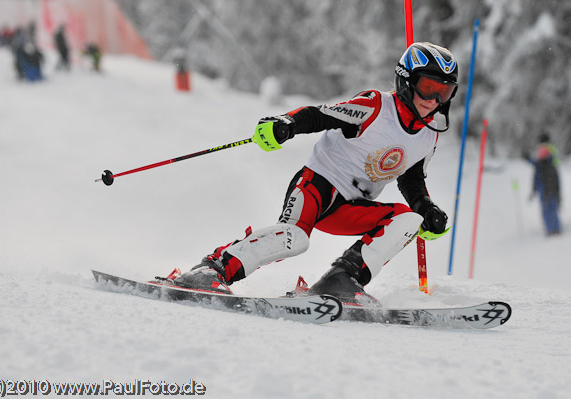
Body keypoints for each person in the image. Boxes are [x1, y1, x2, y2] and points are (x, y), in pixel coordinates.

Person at [171, 42, 458, 302]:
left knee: (409, 219)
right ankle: (211, 270)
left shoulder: (428, 136)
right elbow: (322, 114)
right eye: (428, 87)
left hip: (352, 206)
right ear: (406, 81)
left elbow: (411, 177)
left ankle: (341, 281)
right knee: (295, 238)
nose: (433, 100)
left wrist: (425, 207)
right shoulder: (374, 106)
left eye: (444, 92)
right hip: (318, 186)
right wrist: (287, 123)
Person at [527, 134, 562, 236]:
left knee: (549, 209)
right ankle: (554, 229)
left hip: (547, 189)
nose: (540, 153)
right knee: (550, 208)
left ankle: (553, 229)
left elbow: (539, 172)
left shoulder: (545, 164)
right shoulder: (543, 163)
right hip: (548, 189)